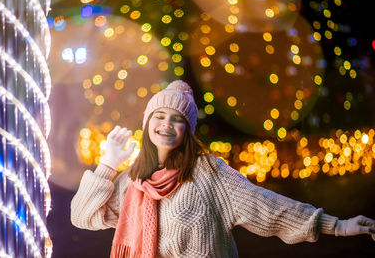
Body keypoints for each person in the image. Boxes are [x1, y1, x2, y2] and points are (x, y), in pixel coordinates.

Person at [71, 80, 375, 258]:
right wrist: (108, 164)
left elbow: (266, 206)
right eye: (159, 115)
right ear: (147, 122)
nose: (166, 124)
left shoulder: (208, 173)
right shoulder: (132, 181)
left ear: (187, 129)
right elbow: (83, 216)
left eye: (176, 118)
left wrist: (337, 225)